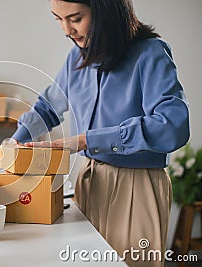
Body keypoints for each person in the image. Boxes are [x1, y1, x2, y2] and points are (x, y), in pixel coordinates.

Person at [10, 0, 190, 266]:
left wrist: (86, 140)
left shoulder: (150, 53)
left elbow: (172, 127)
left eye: (75, 18)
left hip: (136, 188)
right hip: (88, 180)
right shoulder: (76, 58)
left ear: (106, 11)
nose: (66, 30)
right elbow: (48, 108)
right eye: (58, 19)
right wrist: (14, 140)